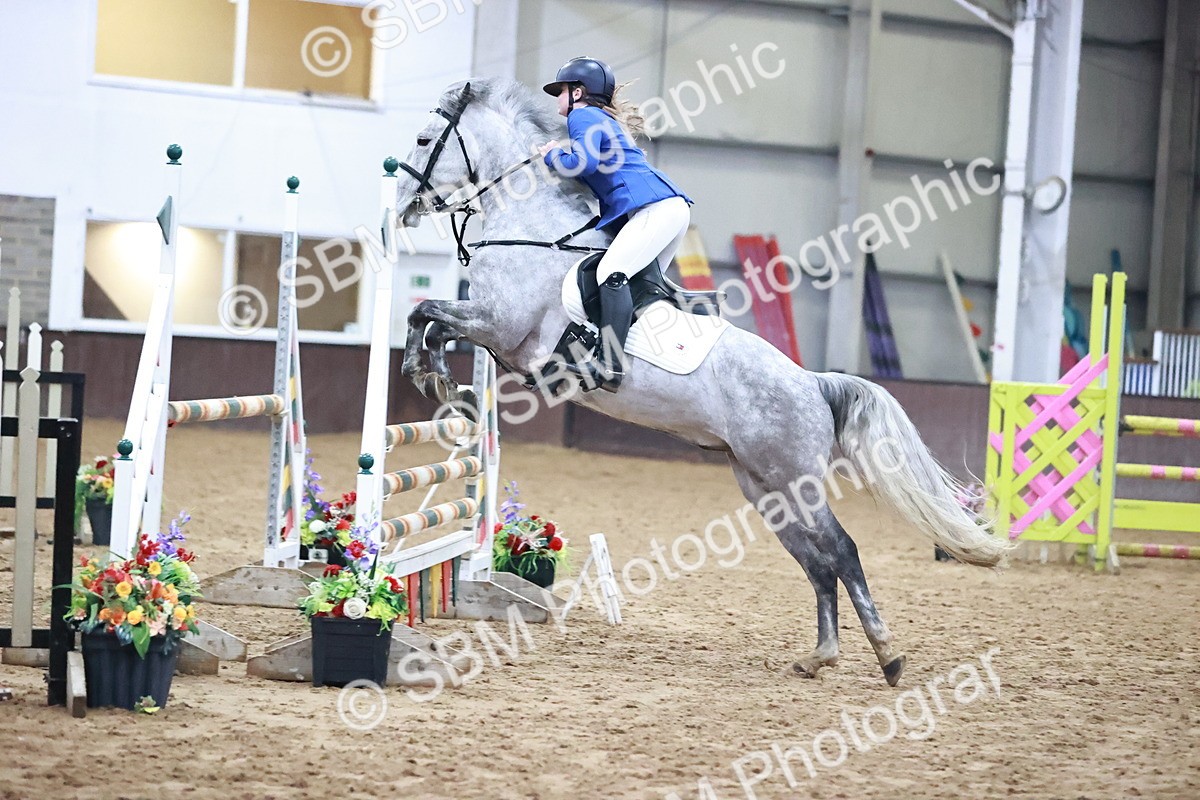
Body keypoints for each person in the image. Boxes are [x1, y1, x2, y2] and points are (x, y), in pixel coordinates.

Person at [539, 57, 693, 393]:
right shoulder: (598, 118)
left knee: (611, 274)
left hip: (656, 209)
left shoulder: (582, 115)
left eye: (561, 91)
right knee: (636, 291)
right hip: (669, 209)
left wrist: (552, 154)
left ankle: (609, 366)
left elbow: (581, 162)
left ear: (578, 92)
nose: (557, 99)